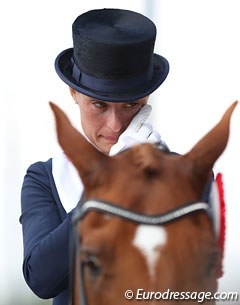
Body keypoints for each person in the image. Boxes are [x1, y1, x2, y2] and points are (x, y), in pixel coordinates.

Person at [20, 8, 169, 305]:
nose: (115, 125)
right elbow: (42, 279)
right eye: (99, 105)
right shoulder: (45, 178)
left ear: (147, 101)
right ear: (74, 94)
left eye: (131, 106)